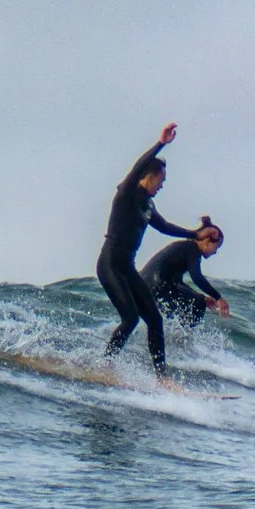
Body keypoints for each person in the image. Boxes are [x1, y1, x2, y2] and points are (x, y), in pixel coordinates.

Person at [99, 123, 196, 371]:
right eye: (161, 179)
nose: (162, 185)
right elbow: (137, 166)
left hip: (127, 268)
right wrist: (161, 143)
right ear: (149, 176)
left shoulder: (148, 205)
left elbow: (164, 226)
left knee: (155, 319)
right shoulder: (127, 192)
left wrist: (194, 234)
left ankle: (161, 378)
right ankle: (105, 366)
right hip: (110, 264)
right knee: (130, 318)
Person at [143, 221, 229, 329]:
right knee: (198, 304)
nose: (215, 252)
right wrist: (218, 298)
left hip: (145, 287)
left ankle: (173, 334)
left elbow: (177, 282)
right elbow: (197, 277)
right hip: (158, 286)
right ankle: (184, 338)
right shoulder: (193, 249)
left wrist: (201, 296)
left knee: (188, 304)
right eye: (216, 247)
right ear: (207, 241)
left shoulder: (184, 247)